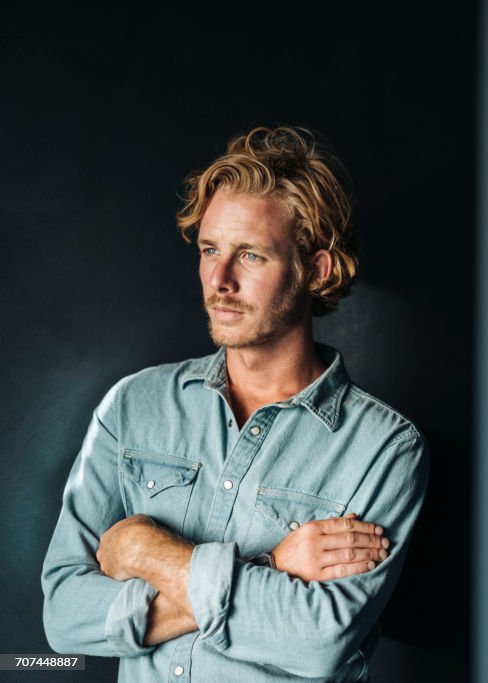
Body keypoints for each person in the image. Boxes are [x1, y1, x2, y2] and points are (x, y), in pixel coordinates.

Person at [40, 126, 429, 682]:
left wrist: (144, 551)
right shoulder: (133, 406)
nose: (219, 280)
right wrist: (270, 566)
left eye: (250, 255)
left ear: (315, 269)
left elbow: (317, 644)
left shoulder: (384, 450)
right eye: (209, 250)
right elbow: (64, 618)